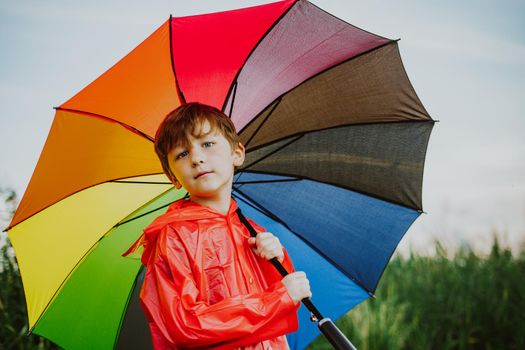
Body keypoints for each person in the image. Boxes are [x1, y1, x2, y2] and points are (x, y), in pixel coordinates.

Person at [123, 102, 312, 349]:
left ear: (237, 153)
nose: (197, 159)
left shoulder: (251, 230)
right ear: (172, 177)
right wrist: (280, 298)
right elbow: (186, 326)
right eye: (182, 154)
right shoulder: (174, 237)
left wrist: (277, 261)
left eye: (208, 144)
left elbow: (277, 312)